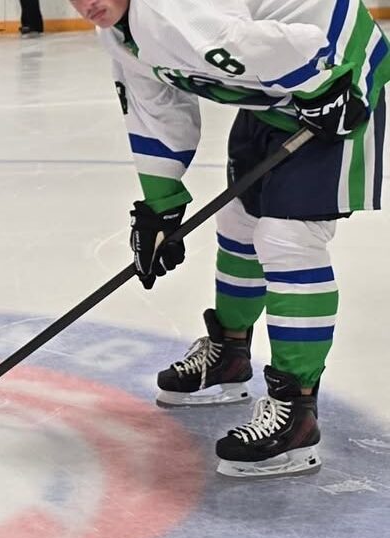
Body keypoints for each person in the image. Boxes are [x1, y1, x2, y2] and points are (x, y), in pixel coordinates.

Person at [69, 0, 387, 477]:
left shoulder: (173, 13)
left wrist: (328, 83)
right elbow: (156, 106)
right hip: (276, 95)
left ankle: (296, 412)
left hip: (346, 78)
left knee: (288, 240)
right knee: (238, 222)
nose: (88, 2)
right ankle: (230, 356)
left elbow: (289, 43)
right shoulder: (120, 32)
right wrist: (160, 205)